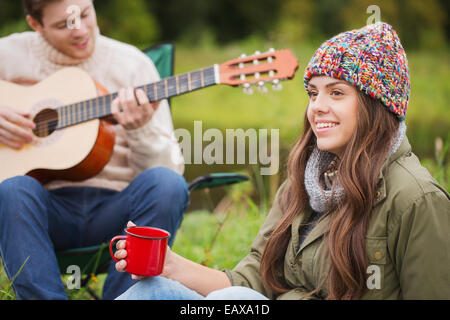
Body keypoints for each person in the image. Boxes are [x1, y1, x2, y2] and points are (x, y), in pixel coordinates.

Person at [114, 22, 450, 300]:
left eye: (336, 92)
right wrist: (168, 265)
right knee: (153, 291)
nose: (317, 106)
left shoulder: (417, 199)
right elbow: (252, 282)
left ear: (378, 106)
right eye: (313, 93)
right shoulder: (307, 181)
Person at [0, 0, 189, 300]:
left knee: (167, 184)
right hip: (45, 213)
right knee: (12, 190)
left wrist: (141, 130)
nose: (80, 31)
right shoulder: (8, 55)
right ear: (35, 25)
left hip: (119, 213)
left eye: (85, 14)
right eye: (63, 24)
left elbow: (169, 168)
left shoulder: (133, 64)